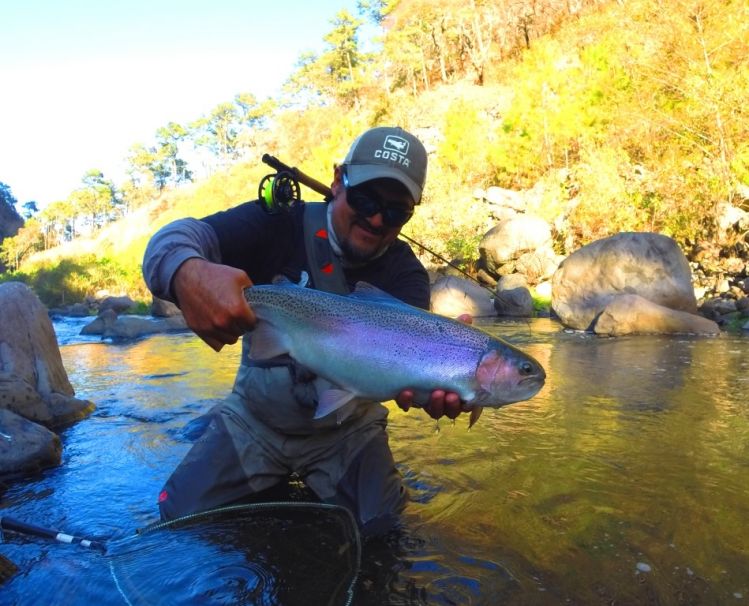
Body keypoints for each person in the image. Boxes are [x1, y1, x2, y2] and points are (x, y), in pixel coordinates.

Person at [142, 126, 468, 532]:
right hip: (254, 423)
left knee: (383, 531)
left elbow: (405, 379)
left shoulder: (406, 276)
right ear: (338, 180)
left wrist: (444, 374)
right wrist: (187, 272)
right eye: (365, 198)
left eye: (396, 211)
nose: (376, 218)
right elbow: (170, 240)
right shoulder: (275, 224)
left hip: (346, 433)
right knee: (177, 522)